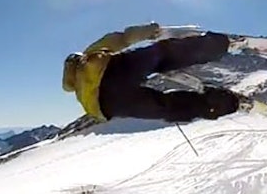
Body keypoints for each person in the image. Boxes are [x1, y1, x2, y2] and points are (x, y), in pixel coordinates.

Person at [62, 22, 244, 123]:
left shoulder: (80, 94)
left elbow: (98, 114)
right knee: (163, 55)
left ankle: (220, 104)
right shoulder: (87, 58)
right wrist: (151, 31)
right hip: (114, 71)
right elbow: (122, 39)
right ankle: (219, 45)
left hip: (110, 106)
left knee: (167, 106)